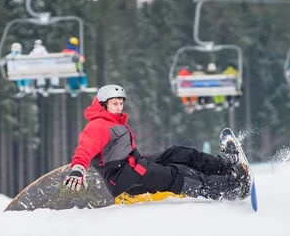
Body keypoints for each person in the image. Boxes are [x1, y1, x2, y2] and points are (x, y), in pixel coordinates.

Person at [62, 85, 251, 202]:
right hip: (126, 182)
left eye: (121, 103)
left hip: (135, 167)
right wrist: (78, 168)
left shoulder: (112, 123)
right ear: (103, 104)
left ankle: (224, 167)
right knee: (179, 175)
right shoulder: (98, 126)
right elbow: (86, 147)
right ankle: (231, 188)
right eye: (114, 104)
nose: (119, 107)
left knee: (179, 153)